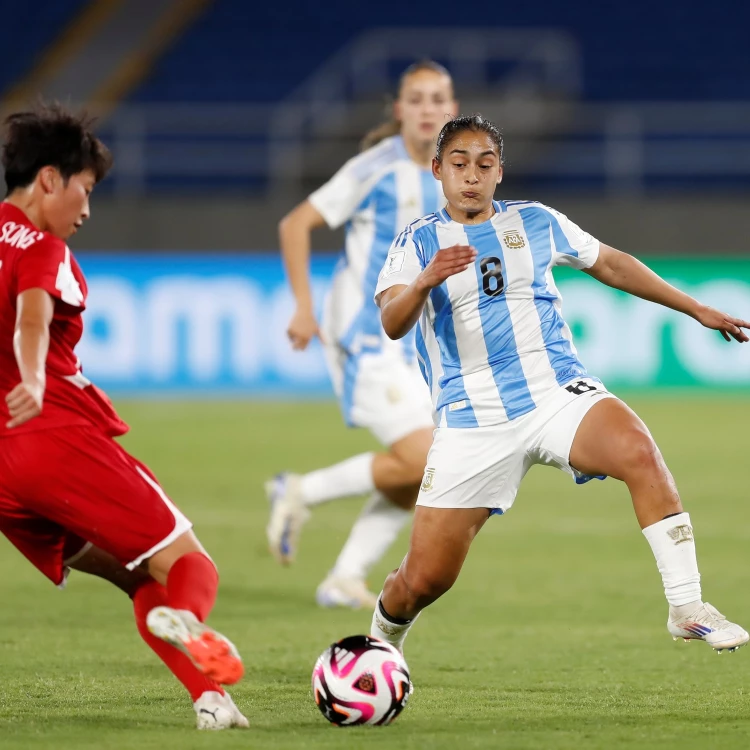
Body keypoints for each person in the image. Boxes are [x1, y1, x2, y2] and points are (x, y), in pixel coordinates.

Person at [369, 114, 750, 656]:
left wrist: (695, 308)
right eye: (459, 164)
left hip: (555, 392)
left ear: (500, 170)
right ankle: (381, 642)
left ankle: (687, 606)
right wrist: (427, 279)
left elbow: (612, 264)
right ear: (438, 170)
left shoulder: (536, 221)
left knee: (638, 450)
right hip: (471, 419)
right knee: (424, 581)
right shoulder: (418, 241)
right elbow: (392, 321)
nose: (471, 176)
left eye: (484, 164)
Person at [0, 104, 247, 730]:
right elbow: (33, 314)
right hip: (51, 437)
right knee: (192, 565)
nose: (86, 209)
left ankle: (212, 701)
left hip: (5, 477)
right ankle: (190, 624)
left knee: (139, 580)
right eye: (84, 190)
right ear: (50, 179)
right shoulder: (42, 246)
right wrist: (31, 374)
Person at [265, 60, 458, 609]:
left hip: (416, 348)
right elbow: (295, 223)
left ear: (452, 106)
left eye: (437, 98)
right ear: (399, 111)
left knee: (429, 468)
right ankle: (300, 491)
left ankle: (344, 576)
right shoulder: (375, 167)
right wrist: (304, 308)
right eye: (416, 99)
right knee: (424, 458)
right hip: (365, 337)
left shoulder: (454, 173)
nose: (427, 109)